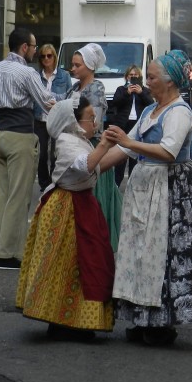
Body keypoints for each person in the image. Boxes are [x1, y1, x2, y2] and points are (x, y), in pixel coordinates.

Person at [100, 50, 192, 346]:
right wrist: (93, 168)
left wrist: (130, 142)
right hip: (147, 188)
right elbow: (126, 149)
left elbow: (169, 151)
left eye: (152, 77)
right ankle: (142, 316)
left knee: (166, 257)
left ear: (169, 83)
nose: (147, 82)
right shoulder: (149, 111)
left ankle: (162, 323)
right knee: (141, 254)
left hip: (172, 190)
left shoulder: (180, 111)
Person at [16, 96, 121, 341]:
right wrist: (105, 145)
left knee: (82, 264)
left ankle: (71, 321)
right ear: (75, 121)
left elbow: (96, 166)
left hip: (81, 204)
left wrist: (127, 146)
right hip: (65, 207)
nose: (95, 123)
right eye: (91, 119)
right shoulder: (66, 141)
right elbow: (84, 166)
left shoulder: (78, 140)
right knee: (67, 266)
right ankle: (63, 321)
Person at [0, 28, 56, 270]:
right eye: (34, 46)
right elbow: (47, 103)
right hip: (20, 134)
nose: (36, 51)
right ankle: (7, 255)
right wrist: (72, 105)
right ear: (24, 47)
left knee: (4, 195)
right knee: (19, 196)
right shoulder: (27, 72)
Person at [68, 43, 122, 251]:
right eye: (73, 65)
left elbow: (95, 122)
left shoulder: (96, 88)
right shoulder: (74, 88)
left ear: (89, 66)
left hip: (90, 145)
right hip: (74, 143)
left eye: (77, 65)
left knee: (94, 192)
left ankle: (97, 242)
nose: (73, 69)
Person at [33, 43, 71, 191]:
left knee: (56, 154)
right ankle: (44, 183)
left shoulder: (64, 75)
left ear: (54, 57)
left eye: (49, 55)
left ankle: (55, 182)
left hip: (57, 119)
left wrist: (57, 102)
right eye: (43, 56)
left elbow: (69, 97)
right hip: (40, 119)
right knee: (41, 155)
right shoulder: (36, 76)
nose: (46, 59)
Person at [109, 64, 153, 185]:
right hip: (123, 125)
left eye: (136, 75)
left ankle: (132, 185)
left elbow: (151, 104)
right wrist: (127, 93)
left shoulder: (145, 90)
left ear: (140, 77)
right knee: (120, 159)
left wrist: (141, 93)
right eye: (131, 75)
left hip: (138, 125)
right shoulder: (121, 89)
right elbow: (115, 103)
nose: (133, 77)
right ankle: (116, 185)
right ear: (126, 77)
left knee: (135, 157)